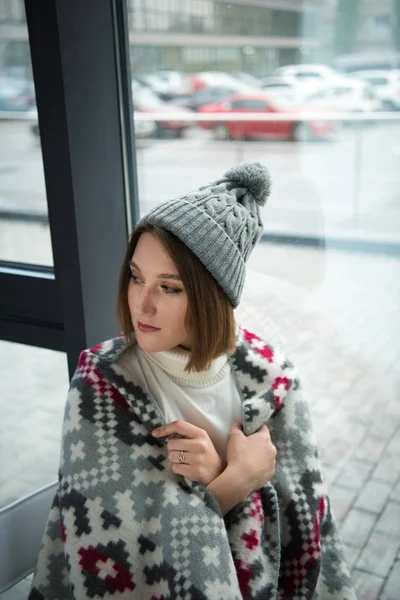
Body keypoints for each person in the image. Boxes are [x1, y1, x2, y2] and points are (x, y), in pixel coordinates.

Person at [30, 162, 355, 600]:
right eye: (136, 277)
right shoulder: (102, 382)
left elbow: (310, 538)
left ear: (211, 296)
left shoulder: (272, 378)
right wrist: (235, 480)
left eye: (169, 288)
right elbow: (118, 564)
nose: (141, 305)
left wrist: (218, 478)